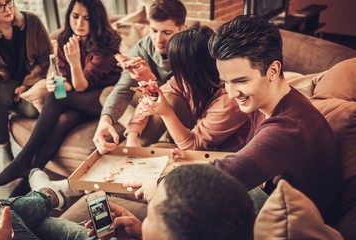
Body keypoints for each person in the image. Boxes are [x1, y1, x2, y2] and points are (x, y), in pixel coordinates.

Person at [138, 15, 343, 226]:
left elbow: (231, 174)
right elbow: (249, 150)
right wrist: (194, 157)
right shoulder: (267, 101)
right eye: (225, 82)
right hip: (277, 198)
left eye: (241, 81)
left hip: (299, 224)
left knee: (183, 207)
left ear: (273, 70)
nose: (231, 93)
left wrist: (163, 183)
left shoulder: (289, 128)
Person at [0, 164, 255, 240]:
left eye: (150, 214)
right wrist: (144, 236)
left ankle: (49, 194)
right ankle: (48, 194)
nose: (145, 216)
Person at [0, 0, 122, 187]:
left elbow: (82, 85)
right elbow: (65, 78)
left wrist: (74, 63)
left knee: (55, 99)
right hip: (79, 100)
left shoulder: (108, 43)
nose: (79, 24)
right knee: (63, 119)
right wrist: (55, 81)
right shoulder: (66, 38)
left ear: (96, 19)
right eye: (75, 17)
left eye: (87, 18)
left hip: (104, 98)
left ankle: (21, 162)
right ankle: (29, 177)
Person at [125, 25, 250, 151]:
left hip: (219, 154)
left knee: (156, 148)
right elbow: (155, 94)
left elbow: (194, 145)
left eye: (178, 64)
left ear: (193, 67)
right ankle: (134, 142)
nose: (174, 70)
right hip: (193, 134)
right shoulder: (187, 79)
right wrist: (132, 134)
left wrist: (166, 112)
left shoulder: (228, 99)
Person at [93, 0, 190, 153]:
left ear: (182, 28)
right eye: (154, 31)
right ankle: (137, 133)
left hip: (178, 105)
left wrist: (149, 80)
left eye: (167, 32)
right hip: (151, 99)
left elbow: (177, 94)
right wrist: (105, 121)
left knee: (171, 100)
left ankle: (140, 138)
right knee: (107, 93)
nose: (158, 40)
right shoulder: (142, 47)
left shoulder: (190, 49)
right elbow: (123, 89)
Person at [0, 0, 52, 166]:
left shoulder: (31, 22)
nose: (7, 8)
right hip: (7, 81)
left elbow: (46, 60)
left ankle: (9, 107)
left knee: (31, 110)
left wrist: (25, 85)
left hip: (33, 81)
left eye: (8, 2)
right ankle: (5, 148)